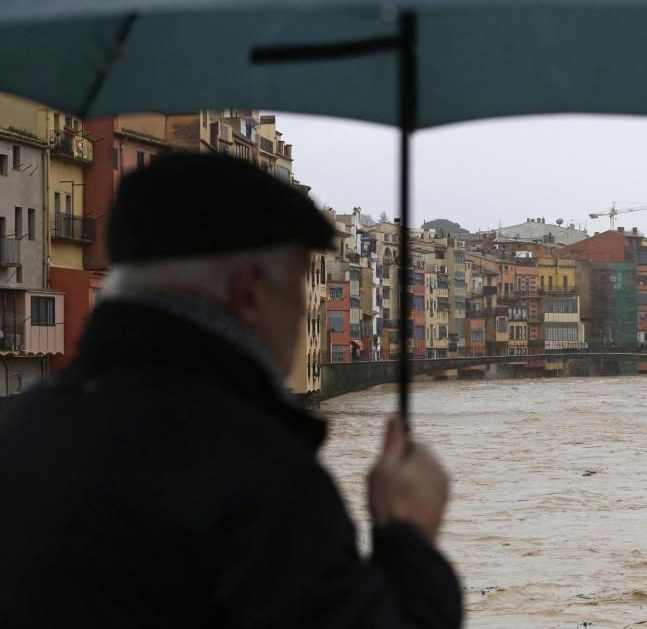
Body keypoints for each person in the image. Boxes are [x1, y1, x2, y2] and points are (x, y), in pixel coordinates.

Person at [0, 153, 461, 628]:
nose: (303, 313)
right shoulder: (258, 478)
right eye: (300, 284)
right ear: (250, 292)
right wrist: (408, 534)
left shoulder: (23, 430)